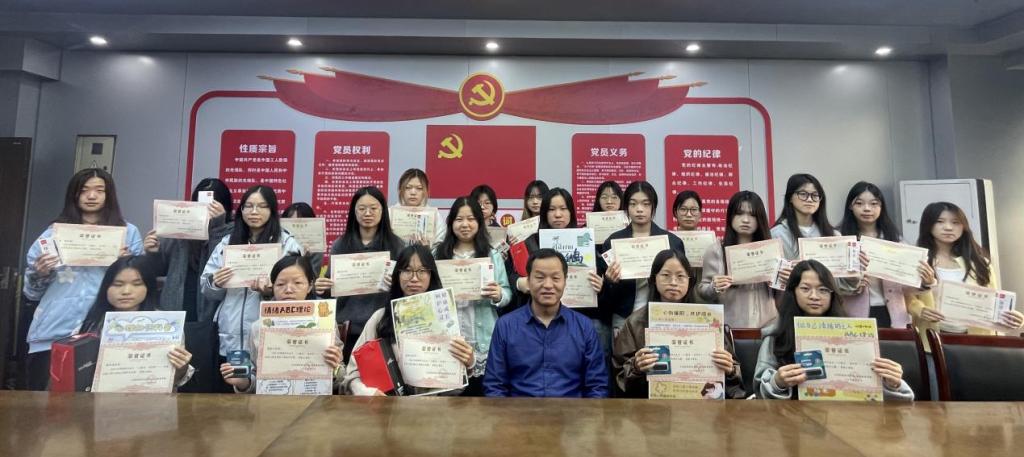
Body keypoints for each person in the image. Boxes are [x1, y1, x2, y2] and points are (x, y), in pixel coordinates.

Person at [23, 168, 143, 390]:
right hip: (54, 331)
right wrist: (40, 273)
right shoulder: (53, 233)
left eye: (99, 190)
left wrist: (126, 264)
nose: (91, 196)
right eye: (84, 190)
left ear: (109, 194)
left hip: (108, 332)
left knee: (100, 406)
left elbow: (139, 286)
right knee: (46, 404)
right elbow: (31, 293)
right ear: (74, 194)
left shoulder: (128, 232)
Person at [754, 259, 914, 400]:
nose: (814, 296)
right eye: (805, 289)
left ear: (832, 294)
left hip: (849, 415)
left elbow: (878, 391)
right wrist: (777, 382)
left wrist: (893, 383)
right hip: (792, 417)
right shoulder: (776, 336)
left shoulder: (855, 335)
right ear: (793, 292)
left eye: (823, 290)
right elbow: (760, 391)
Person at [201, 185, 304, 392]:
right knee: (235, 390)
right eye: (248, 206)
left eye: (262, 206)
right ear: (241, 210)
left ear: (272, 210)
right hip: (231, 333)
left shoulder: (287, 244)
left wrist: (270, 292)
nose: (254, 212)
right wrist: (216, 282)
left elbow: (300, 290)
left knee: (265, 393)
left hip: (270, 335)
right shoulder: (227, 242)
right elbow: (205, 286)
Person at [343, 245, 475, 396]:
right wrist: (367, 392)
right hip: (388, 405)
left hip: (435, 406)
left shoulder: (445, 318)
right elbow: (353, 373)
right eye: (407, 270)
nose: (414, 278)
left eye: (422, 271)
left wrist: (469, 363)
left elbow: (457, 382)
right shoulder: (381, 318)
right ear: (397, 275)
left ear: (431, 275)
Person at [612, 249, 745, 399]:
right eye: (666, 275)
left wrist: (730, 369)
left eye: (681, 276)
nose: (673, 282)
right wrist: (636, 366)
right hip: (651, 404)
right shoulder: (636, 322)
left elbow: (735, 377)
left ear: (690, 281)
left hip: (701, 404)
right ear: (654, 279)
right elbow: (619, 375)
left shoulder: (708, 319)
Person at [484, 249, 608, 398]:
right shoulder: (505, 326)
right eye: (540, 277)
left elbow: (597, 386)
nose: (548, 285)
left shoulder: (584, 327)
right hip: (519, 411)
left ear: (565, 281)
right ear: (528, 281)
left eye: (555, 278)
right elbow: (495, 386)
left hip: (572, 411)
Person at [218, 255, 343, 393]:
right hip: (272, 403)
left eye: (298, 283)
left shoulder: (326, 323)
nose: (288, 289)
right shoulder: (258, 327)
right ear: (273, 287)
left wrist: (335, 369)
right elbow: (254, 378)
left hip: (316, 401)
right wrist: (242, 382)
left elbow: (341, 379)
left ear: (309, 286)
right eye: (280, 284)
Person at [905, 202, 1024, 342]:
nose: (948, 227)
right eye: (940, 222)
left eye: (955, 222)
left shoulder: (980, 262)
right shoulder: (919, 261)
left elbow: (994, 301)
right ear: (928, 225)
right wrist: (920, 309)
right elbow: (907, 297)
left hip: (977, 338)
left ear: (964, 226)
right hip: (933, 336)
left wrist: (1012, 319)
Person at [433, 197, 513, 395]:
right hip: (448, 336)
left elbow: (507, 292)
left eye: (471, 219)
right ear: (451, 222)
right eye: (459, 219)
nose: (465, 224)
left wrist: (499, 294)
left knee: (481, 396)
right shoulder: (438, 254)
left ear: (479, 222)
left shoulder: (492, 255)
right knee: (450, 399)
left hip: (483, 337)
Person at [506, 188, 606, 346]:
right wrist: (520, 282)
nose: (558, 214)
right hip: (539, 320)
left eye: (563, 209)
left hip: (580, 317)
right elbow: (510, 274)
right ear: (544, 213)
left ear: (571, 212)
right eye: (552, 209)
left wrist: (601, 286)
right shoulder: (530, 242)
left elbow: (602, 279)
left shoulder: (585, 240)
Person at [79, 255, 194, 388]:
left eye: (137, 284)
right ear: (106, 287)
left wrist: (181, 368)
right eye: (118, 284)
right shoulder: (91, 324)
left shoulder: (166, 325)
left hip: (153, 397)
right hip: (99, 398)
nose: (126, 291)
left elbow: (176, 380)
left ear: (148, 287)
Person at [328, 186, 405, 363]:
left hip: (383, 329)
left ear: (383, 211)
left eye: (373, 208)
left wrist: (396, 283)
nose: (367, 213)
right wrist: (324, 287)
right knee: (349, 377)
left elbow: (406, 290)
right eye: (362, 208)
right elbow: (331, 291)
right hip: (349, 329)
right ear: (354, 212)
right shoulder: (340, 245)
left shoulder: (397, 245)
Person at [835, 182, 923, 328]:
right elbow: (831, 282)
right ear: (850, 206)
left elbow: (908, 286)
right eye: (859, 203)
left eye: (874, 204)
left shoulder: (895, 240)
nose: (867, 208)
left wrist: (923, 280)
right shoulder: (840, 238)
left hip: (893, 314)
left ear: (881, 207)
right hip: (852, 315)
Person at [144, 178, 233, 322]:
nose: (207, 208)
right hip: (176, 308)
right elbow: (160, 270)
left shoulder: (233, 232)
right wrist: (153, 253)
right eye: (201, 202)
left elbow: (219, 267)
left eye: (213, 203)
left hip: (212, 314)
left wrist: (218, 227)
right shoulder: (180, 228)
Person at [601, 181, 686, 332]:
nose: (639, 209)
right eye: (633, 204)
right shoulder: (613, 242)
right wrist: (610, 282)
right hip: (624, 316)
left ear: (653, 207)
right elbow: (605, 297)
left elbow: (682, 282)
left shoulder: (672, 242)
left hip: (663, 315)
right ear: (626, 207)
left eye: (646, 204)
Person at [698, 191, 778, 328]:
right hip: (730, 328)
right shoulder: (716, 250)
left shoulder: (771, 249)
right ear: (730, 216)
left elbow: (782, 292)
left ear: (760, 218)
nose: (745, 220)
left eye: (752, 215)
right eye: (739, 213)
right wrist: (714, 287)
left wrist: (781, 281)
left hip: (768, 327)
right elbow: (703, 290)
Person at [771, 173, 836, 260]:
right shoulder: (777, 234)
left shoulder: (834, 235)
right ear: (790, 198)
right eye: (803, 194)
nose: (809, 199)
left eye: (815, 195)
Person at [393, 168, 446, 249]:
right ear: (400, 190)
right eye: (408, 187)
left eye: (419, 188)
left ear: (425, 191)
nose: (413, 192)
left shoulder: (435, 216)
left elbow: (440, 245)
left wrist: (427, 249)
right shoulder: (390, 214)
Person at [281, 201, 325, 273]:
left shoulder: (315, 246)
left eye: (301, 223)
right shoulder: (279, 239)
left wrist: (305, 258)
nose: (295, 227)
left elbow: (313, 276)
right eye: (291, 222)